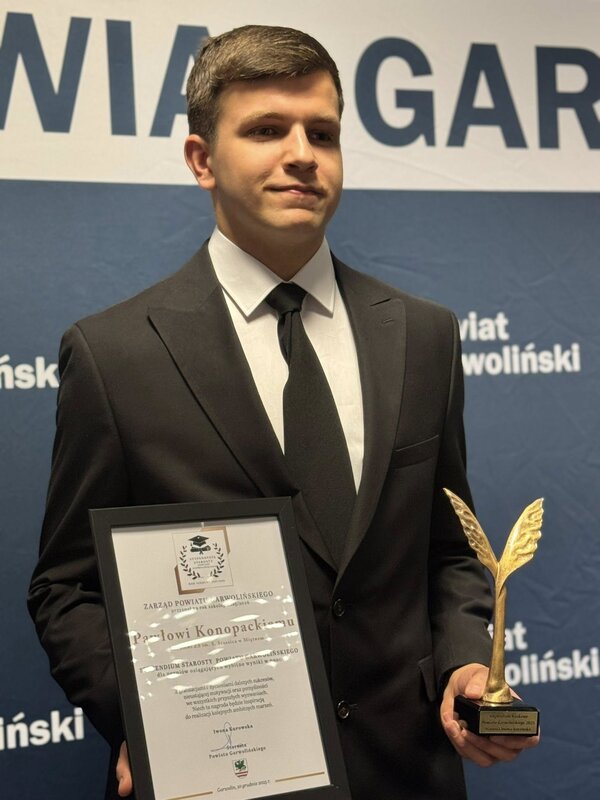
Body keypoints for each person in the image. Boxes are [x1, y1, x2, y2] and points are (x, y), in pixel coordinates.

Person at [28, 24, 538, 800]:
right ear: (202, 159)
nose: (302, 154)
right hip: (219, 777)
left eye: (322, 133)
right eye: (267, 130)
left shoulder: (425, 334)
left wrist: (468, 659)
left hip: (407, 774)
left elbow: (449, 548)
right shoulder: (114, 354)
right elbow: (67, 589)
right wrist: (144, 717)